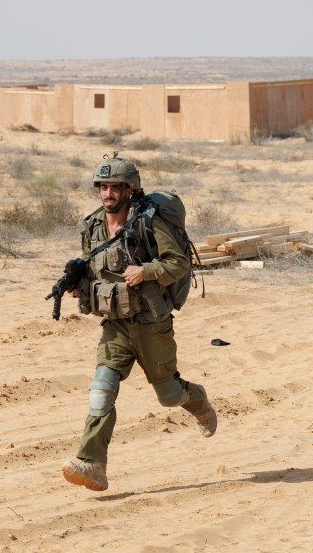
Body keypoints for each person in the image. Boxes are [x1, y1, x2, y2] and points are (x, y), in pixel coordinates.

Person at [61, 154, 217, 492]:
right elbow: (94, 268)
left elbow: (178, 262)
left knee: (170, 395)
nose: (108, 193)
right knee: (101, 393)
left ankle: (198, 401)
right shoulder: (93, 227)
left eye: (115, 187)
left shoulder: (147, 222)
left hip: (151, 322)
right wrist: (79, 286)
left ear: (130, 190)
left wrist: (147, 271)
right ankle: (92, 464)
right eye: (102, 187)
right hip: (115, 325)